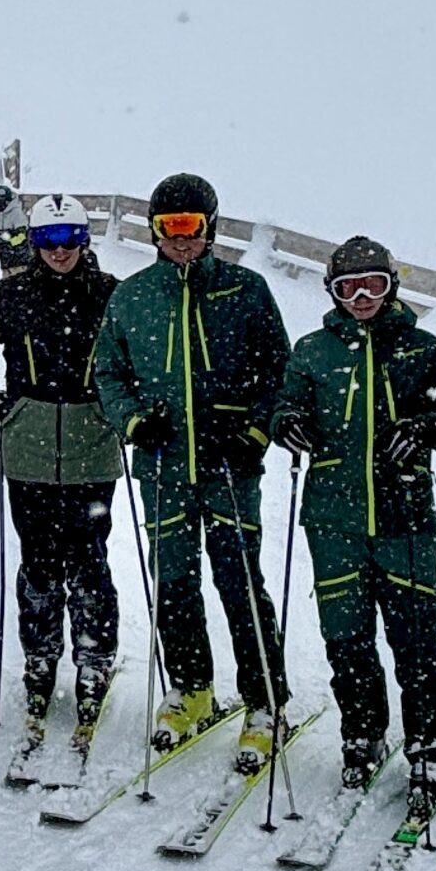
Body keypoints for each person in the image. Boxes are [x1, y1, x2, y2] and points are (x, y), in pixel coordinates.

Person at [95, 171, 291, 770]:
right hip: (163, 464)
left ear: (211, 228)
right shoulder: (131, 296)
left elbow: (280, 373)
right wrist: (133, 422)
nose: (181, 241)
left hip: (229, 464)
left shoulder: (246, 290)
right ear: (154, 232)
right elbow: (107, 374)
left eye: (192, 229)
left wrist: (255, 432)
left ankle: (264, 701)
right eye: (169, 230)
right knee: (173, 581)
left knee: (239, 580)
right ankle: (191, 687)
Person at [272, 236, 436, 801]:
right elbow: (287, 403)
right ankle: (362, 735)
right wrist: (288, 424)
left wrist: (425, 429)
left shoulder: (422, 349)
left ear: (391, 287)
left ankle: (431, 745)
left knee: (415, 637)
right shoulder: (313, 351)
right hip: (333, 519)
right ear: (332, 293)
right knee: (347, 638)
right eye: (347, 288)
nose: (361, 298)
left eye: (373, 285)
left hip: (405, 516)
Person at [0, 195, 121, 767]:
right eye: (49, 241)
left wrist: (121, 408)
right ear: (34, 241)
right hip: (28, 444)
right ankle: (41, 655)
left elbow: (137, 355)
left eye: (70, 239)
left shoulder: (109, 293)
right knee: (39, 556)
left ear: (84, 239)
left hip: (90, 443)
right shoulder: (14, 293)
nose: (59, 252)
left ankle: (95, 657)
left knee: (88, 552)